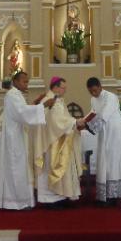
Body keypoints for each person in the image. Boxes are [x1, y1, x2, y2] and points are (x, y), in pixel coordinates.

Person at [0, 71, 54, 210]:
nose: (26, 84)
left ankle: (20, 201)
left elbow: (23, 111)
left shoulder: (17, 95)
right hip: (14, 138)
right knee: (16, 168)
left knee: (20, 168)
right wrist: (43, 105)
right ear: (15, 82)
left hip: (18, 135)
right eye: (24, 81)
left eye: (27, 81)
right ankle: (17, 202)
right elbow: (22, 113)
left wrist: (36, 104)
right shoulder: (12, 95)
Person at [33, 77, 82, 207]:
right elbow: (55, 121)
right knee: (53, 168)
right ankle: (51, 199)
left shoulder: (57, 100)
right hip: (52, 142)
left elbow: (63, 118)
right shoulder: (49, 100)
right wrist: (74, 122)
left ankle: (59, 196)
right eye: (63, 88)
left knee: (60, 168)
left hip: (60, 139)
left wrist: (74, 123)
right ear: (55, 86)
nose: (64, 90)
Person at [86, 77, 121, 204]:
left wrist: (88, 126)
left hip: (115, 132)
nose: (93, 94)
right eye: (90, 92)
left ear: (100, 86)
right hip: (104, 132)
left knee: (114, 161)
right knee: (104, 160)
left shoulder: (111, 97)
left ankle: (115, 195)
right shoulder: (93, 99)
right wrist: (85, 121)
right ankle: (105, 194)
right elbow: (93, 113)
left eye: (94, 90)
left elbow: (104, 114)